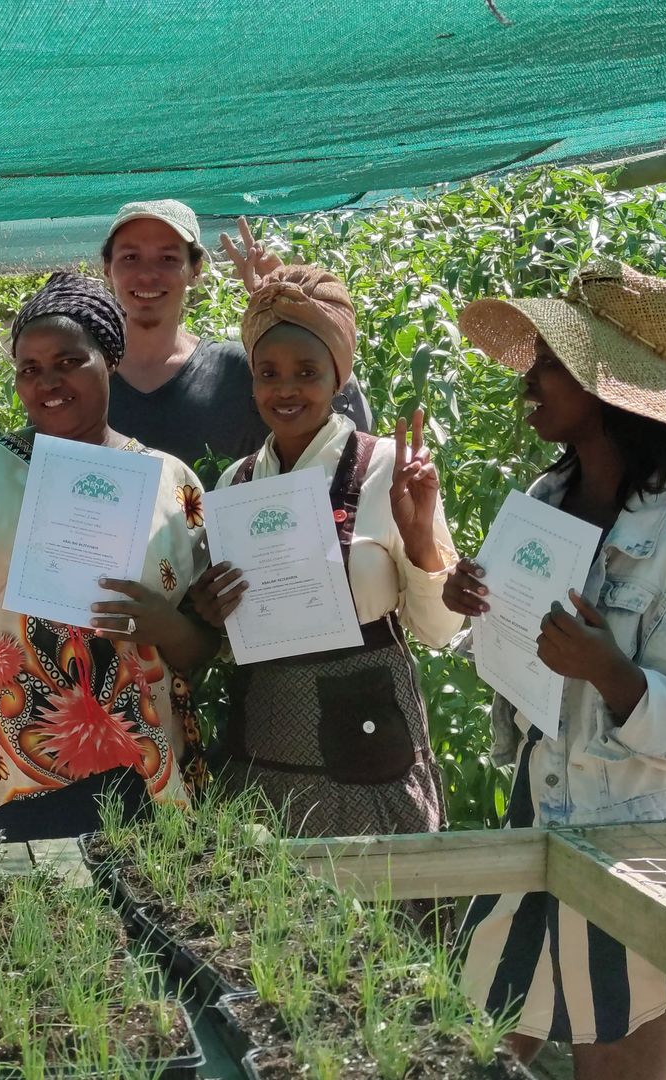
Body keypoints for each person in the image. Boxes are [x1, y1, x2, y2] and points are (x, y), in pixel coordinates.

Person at [445, 262, 666, 1079]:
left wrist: (616, 677)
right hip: (533, 825)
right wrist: (478, 606)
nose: (527, 382)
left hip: (634, 853)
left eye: (549, 363)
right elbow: (528, 672)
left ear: (608, 388)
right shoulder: (544, 504)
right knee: (462, 1052)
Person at [0, 273, 218, 842]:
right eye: (30, 369)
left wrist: (165, 625)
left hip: (136, 769)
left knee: (132, 899)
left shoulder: (171, 483)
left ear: (110, 360)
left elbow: (204, 647)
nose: (48, 382)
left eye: (69, 362)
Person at [190, 228, 461, 839]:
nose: (285, 389)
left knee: (378, 895)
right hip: (263, 746)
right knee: (265, 895)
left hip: (369, 751)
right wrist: (213, 615)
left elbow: (439, 631)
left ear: (339, 377)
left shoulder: (387, 468)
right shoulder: (236, 483)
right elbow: (237, 639)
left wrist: (421, 541)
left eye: (307, 371)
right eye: (268, 372)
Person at [101, 204, 371, 471]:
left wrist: (296, 316)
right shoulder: (86, 377)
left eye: (168, 258)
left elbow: (344, 433)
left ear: (196, 270)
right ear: (107, 268)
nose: (147, 274)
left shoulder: (240, 370)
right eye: (130, 257)